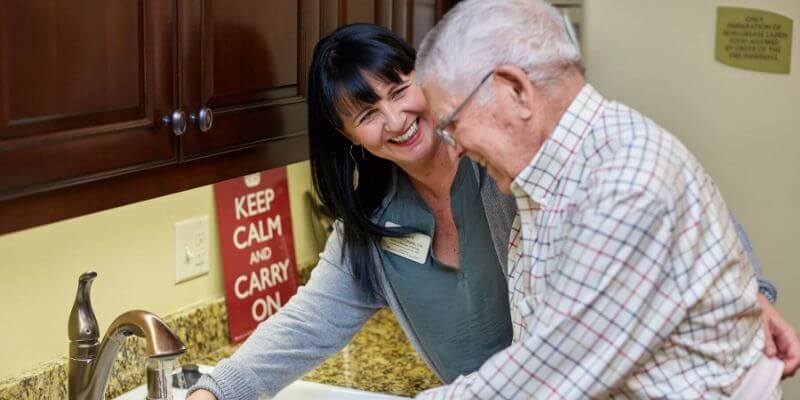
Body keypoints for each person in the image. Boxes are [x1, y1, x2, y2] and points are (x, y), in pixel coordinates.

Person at [187, 23, 795, 400]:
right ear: (348, 137)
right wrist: (217, 390)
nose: (397, 120)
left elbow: (660, 194)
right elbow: (306, 326)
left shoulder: (497, 155)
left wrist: (750, 292)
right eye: (368, 114)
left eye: (401, 91)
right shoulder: (373, 223)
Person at [413, 0, 796, 398]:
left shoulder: (624, 181)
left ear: (516, 90)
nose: (453, 149)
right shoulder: (559, 171)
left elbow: (549, 375)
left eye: (452, 125)